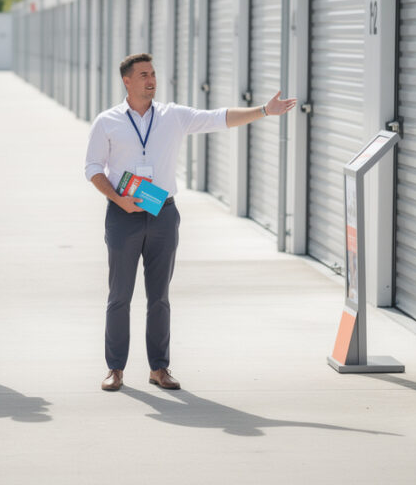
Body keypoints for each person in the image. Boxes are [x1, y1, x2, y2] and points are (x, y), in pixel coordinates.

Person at [84, 53, 296, 392]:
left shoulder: (173, 116)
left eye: (153, 73)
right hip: (123, 215)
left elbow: (218, 118)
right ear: (127, 81)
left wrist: (263, 111)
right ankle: (115, 369)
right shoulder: (107, 121)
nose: (151, 80)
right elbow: (93, 168)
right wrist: (118, 199)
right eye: (143, 75)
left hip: (163, 212)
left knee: (160, 297)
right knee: (119, 295)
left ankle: (159, 368)